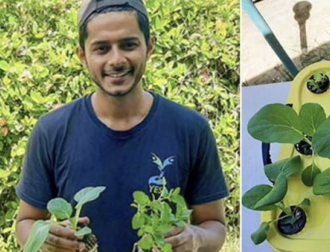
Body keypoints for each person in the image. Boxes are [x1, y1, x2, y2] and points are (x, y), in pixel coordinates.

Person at [15, 0, 229, 251]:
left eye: (128, 45)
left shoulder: (191, 128)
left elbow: (214, 225)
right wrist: (45, 240)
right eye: (101, 48)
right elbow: (26, 222)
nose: (116, 60)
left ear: (149, 47)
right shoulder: (52, 131)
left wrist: (195, 238)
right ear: (82, 55)